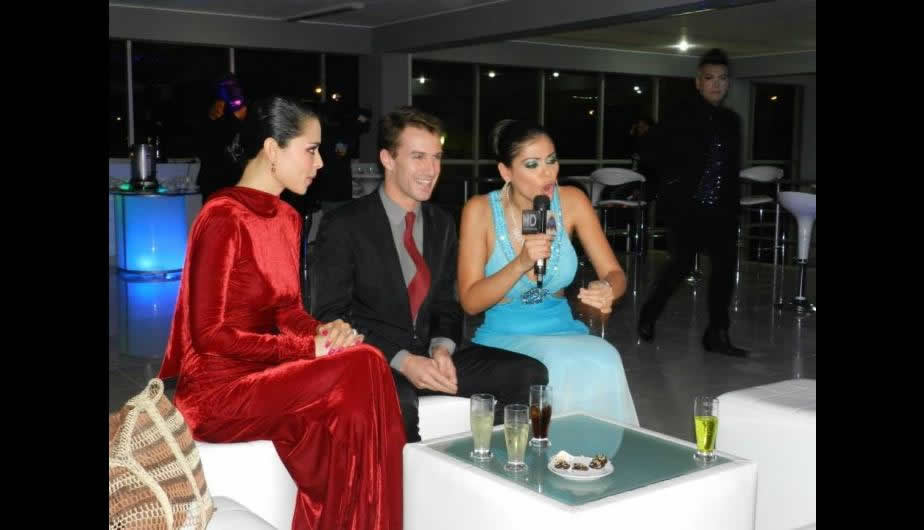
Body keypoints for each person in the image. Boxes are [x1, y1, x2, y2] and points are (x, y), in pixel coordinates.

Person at [158, 96, 405, 530]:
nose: (321, 162)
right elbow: (208, 335)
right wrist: (307, 349)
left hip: (266, 375)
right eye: (311, 150)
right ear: (273, 149)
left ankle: (354, 516)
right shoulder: (222, 217)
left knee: (363, 359)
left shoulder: (288, 218)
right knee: (363, 365)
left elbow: (288, 310)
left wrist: (323, 332)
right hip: (217, 392)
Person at [312, 106, 548, 443]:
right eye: (418, 157)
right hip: (375, 358)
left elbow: (447, 304)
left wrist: (441, 348)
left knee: (529, 374)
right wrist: (403, 361)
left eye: (436, 157)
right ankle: (412, 477)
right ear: (388, 159)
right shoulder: (345, 224)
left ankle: (496, 466)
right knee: (399, 402)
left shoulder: (441, 223)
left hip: (430, 353)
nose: (431, 169)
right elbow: (330, 315)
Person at [456, 119, 639, 426]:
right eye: (532, 164)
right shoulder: (480, 210)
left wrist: (608, 289)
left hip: (562, 328)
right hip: (506, 335)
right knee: (557, 364)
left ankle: (592, 452)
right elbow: (470, 302)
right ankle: (549, 451)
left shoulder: (572, 201)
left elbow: (614, 272)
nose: (548, 173)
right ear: (506, 172)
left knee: (606, 356)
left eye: (551, 160)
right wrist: (520, 263)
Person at [637, 48, 747, 357]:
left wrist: (734, 207)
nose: (717, 84)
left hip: (722, 210)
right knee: (680, 265)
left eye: (722, 78)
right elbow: (652, 152)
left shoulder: (732, 120)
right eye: (710, 78)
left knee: (725, 270)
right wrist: (672, 184)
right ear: (698, 82)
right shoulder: (681, 114)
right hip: (688, 208)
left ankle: (717, 333)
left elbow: (731, 167)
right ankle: (649, 313)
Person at [196, 73, 248, 202]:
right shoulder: (215, 117)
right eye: (226, 87)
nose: (232, 91)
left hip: (240, 186)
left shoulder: (248, 115)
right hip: (217, 186)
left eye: (234, 86)